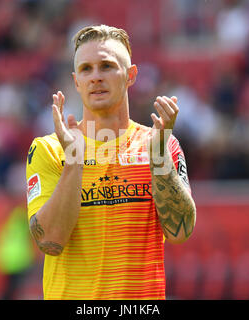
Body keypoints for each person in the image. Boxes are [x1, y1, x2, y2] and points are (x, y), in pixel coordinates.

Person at [26, 25, 196, 300]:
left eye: (106, 66)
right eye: (86, 69)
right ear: (76, 80)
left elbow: (181, 231)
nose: (96, 77)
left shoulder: (160, 144)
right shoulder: (49, 149)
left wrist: (159, 160)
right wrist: (74, 163)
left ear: (131, 76)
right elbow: (50, 242)